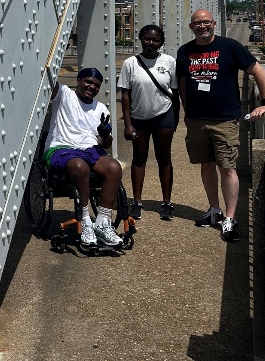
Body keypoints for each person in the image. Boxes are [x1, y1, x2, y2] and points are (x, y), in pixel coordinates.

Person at [177, 9, 265, 242]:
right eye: (197, 23)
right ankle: (213, 210)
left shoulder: (230, 47)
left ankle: (230, 218)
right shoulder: (185, 51)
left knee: (228, 168)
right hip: (197, 120)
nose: (202, 26)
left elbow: (257, 69)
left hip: (225, 120)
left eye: (206, 22)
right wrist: (188, 112)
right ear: (191, 27)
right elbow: (182, 83)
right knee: (206, 165)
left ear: (214, 23)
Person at [44, 67, 123, 247]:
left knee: (114, 167)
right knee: (80, 166)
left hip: (89, 149)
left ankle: (103, 224)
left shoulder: (101, 108)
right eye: (88, 82)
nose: (91, 87)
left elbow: (105, 143)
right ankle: (85, 220)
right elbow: (48, 78)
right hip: (61, 148)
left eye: (96, 85)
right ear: (78, 80)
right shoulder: (64, 95)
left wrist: (105, 134)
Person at [118, 24, 180, 221]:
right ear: (140, 39)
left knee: (164, 158)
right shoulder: (130, 63)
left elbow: (175, 92)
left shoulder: (169, 62)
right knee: (139, 158)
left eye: (155, 40)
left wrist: (175, 120)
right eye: (147, 39)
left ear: (161, 42)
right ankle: (136, 202)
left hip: (164, 116)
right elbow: (125, 95)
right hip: (139, 118)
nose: (151, 43)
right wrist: (128, 124)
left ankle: (167, 202)